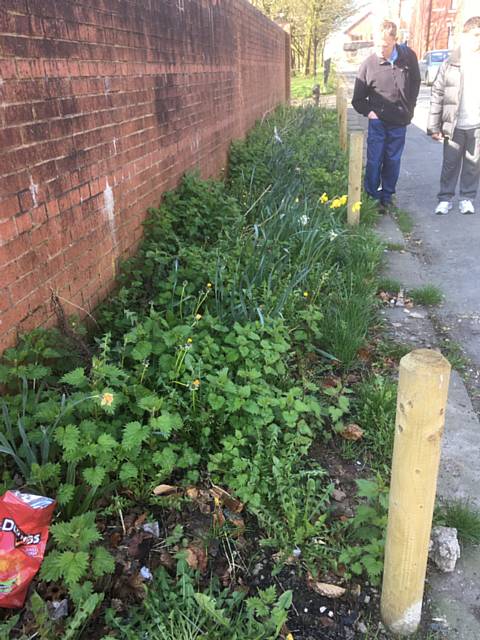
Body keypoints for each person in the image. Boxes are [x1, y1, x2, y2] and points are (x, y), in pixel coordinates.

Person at [352, 20, 421, 212]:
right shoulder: (368, 65)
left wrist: (410, 107)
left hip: (399, 121)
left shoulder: (408, 58)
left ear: (395, 41)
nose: (380, 49)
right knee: (374, 160)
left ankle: (387, 195)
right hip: (378, 122)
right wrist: (370, 113)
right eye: (376, 44)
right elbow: (357, 100)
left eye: (385, 45)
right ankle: (371, 195)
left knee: (393, 160)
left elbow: (415, 82)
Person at [427, 16, 480, 215]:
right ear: (464, 35)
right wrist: (434, 126)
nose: (479, 40)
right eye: (476, 35)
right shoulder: (450, 64)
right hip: (454, 124)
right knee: (450, 164)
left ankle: (467, 198)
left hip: (476, 124)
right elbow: (438, 94)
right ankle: (445, 198)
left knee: (473, 165)